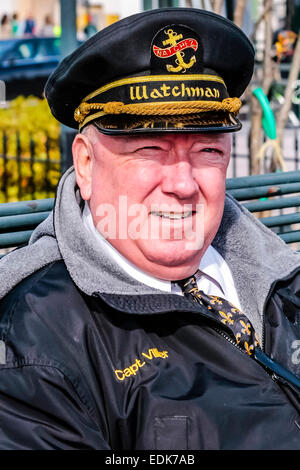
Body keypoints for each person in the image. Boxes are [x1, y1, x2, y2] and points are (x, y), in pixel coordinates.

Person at [0, 8, 300, 450]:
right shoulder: (36, 342)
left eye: (207, 150)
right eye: (149, 148)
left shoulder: (276, 270)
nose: (182, 183)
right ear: (85, 163)